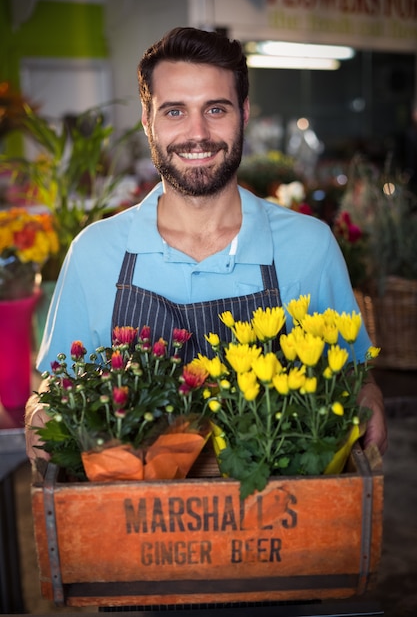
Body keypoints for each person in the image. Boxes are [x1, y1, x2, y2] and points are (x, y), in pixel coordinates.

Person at [25, 26, 387, 462]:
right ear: (147, 122)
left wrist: (370, 396)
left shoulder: (309, 247)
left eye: (215, 109)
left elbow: (353, 376)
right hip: (133, 519)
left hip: (276, 518)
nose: (198, 133)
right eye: (174, 112)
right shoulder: (94, 253)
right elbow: (53, 386)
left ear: (245, 113)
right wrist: (39, 411)